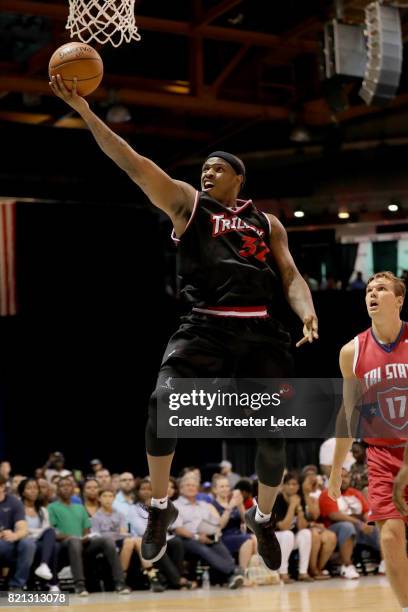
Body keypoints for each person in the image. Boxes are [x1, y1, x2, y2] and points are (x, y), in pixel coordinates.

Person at [50, 75, 318, 571]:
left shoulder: (268, 223)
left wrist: (306, 310)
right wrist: (87, 113)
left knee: (274, 439)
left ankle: (261, 516)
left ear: (240, 179)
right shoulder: (186, 204)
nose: (207, 173)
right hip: (204, 326)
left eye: (217, 169)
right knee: (160, 405)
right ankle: (158, 507)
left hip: (260, 330)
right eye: (204, 168)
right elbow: (132, 163)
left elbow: (291, 276)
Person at [328, 272, 408, 608]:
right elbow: (349, 414)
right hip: (382, 454)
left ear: (399, 300)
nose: (372, 293)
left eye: (382, 289)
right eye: (369, 290)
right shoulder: (352, 351)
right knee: (389, 536)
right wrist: (336, 470)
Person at [48, 476, 129, 596]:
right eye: (62, 486)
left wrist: (86, 537)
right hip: (63, 545)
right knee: (74, 540)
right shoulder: (52, 507)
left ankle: (119, 583)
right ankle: (80, 585)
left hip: (82, 543)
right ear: (57, 489)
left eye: (68, 485)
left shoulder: (80, 508)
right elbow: (53, 532)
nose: (65, 488)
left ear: (73, 489)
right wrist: (72, 537)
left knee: (106, 540)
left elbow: (86, 530)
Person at [172, 475, 244, 589]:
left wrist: (214, 532)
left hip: (206, 535)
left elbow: (216, 524)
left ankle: (232, 577)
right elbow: (178, 529)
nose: (191, 488)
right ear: (181, 489)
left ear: (197, 489)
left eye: (194, 485)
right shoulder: (175, 505)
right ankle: (234, 570)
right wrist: (196, 536)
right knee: (202, 548)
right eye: (188, 485)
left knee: (217, 543)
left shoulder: (204, 505)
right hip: (187, 539)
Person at [320, 468, 382, 579]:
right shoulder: (327, 493)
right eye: (340, 476)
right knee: (347, 526)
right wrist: (358, 522)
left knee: (378, 525)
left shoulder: (356, 493)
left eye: (346, 476)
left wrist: (368, 522)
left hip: (359, 527)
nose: (343, 479)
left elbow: (366, 512)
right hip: (335, 529)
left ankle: (385, 563)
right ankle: (347, 566)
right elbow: (334, 515)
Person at [211, 475, 256, 580]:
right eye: (222, 486)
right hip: (223, 537)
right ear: (215, 489)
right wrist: (229, 507)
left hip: (238, 534)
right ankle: (242, 573)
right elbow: (220, 525)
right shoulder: (212, 505)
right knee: (249, 540)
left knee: (255, 538)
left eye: (227, 486)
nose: (225, 489)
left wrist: (240, 505)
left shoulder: (234, 502)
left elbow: (246, 522)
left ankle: (254, 573)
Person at [18, 478, 59, 591]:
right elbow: (22, 530)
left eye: (35, 488)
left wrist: (39, 532)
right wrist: (39, 532)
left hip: (39, 542)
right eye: (29, 488)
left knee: (51, 534)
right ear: (22, 492)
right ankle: (53, 583)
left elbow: (47, 529)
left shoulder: (42, 510)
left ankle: (44, 566)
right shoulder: (17, 508)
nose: (33, 491)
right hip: (24, 541)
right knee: (52, 545)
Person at [273, 473, 313, 583]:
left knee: (306, 533)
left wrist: (299, 509)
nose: (292, 487)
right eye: (289, 484)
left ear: (298, 486)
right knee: (288, 534)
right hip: (275, 539)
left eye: (295, 484)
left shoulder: (299, 499)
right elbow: (283, 526)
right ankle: (283, 573)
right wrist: (292, 506)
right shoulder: (277, 500)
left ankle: (303, 572)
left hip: (289, 539)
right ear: (283, 486)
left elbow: (302, 526)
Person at [0, 475, 35, 591]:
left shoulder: (14, 502)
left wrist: (15, 535)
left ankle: (16, 586)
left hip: (9, 543)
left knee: (28, 544)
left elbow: (23, 528)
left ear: (2, 487)